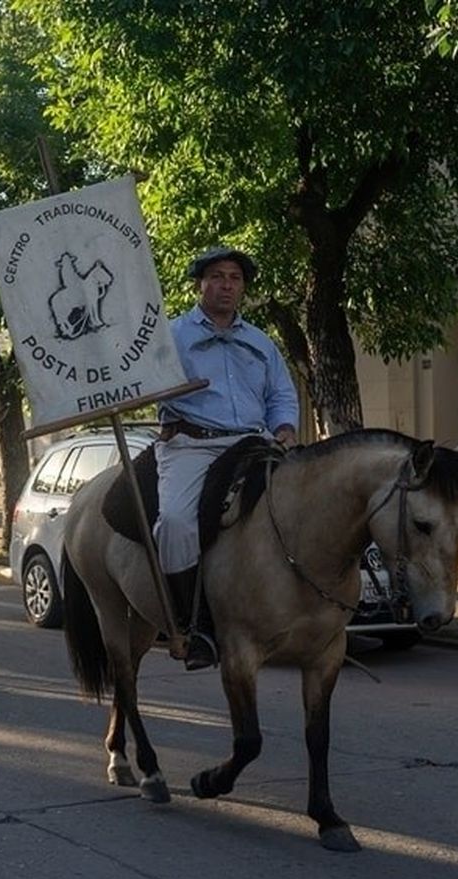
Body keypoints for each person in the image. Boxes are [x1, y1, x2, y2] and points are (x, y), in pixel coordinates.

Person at [154, 246, 299, 671]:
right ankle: (191, 624)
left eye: (235, 278)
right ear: (200, 284)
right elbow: (146, 384)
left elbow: (282, 395)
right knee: (177, 522)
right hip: (193, 444)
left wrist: (286, 426)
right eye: (217, 276)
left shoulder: (260, 343)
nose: (226, 285)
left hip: (254, 442)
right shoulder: (172, 336)